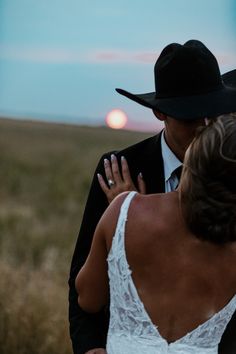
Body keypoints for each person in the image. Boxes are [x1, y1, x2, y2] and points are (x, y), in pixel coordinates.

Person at [68, 40, 236, 354]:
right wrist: (88, 347)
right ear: (160, 112)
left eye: (212, 114)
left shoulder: (231, 170)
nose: (204, 127)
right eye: (190, 118)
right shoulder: (119, 168)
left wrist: (130, 220)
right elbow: (81, 284)